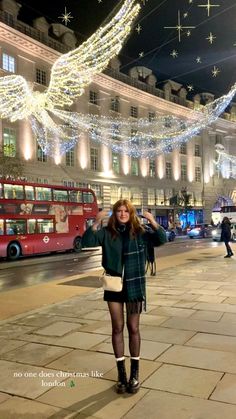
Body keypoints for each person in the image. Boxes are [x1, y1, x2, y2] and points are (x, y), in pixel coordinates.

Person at [82, 199, 166, 394]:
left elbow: (161, 239)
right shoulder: (107, 233)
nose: (122, 214)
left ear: (131, 213)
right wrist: (96, 222)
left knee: (133, 327)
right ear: (115, 213)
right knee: (117, 327)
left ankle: (135, 374)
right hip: (114, 286)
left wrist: (153, 221)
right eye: (119, 211)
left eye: (125, 211)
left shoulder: (140, 233)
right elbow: (86, 242)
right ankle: (121, 374)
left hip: (134, 284)